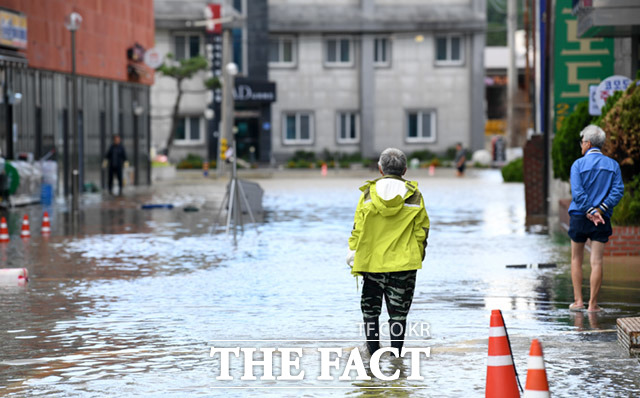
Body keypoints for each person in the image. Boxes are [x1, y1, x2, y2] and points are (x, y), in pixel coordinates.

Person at [347, 148, 430, 355]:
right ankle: (396, 356)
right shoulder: (415, 195)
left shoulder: (367, 194)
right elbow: (422, 232)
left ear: (380, 169)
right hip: (404, 263)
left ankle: (373, 353)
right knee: (398, 315)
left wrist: (353, 252)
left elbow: (358, 228)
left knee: (370, 312)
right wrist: (417, 254)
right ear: (404, 170)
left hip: (372, 263)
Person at [568, 125, 624, 313]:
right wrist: (600, 209)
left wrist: (590, 209)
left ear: (588, 143)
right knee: (597, 261)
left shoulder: (577, 165)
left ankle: (578, 302)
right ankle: (593, 304)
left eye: (582, 142)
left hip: (579, 216)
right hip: (602, 218)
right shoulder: (613, 165)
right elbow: (618, 191)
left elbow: (577, 193)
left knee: (576, 259)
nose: (580, 145)